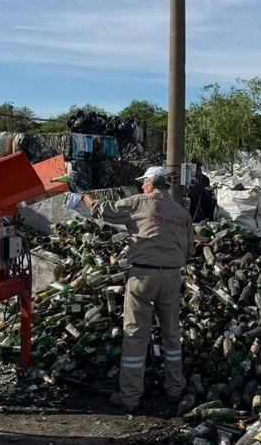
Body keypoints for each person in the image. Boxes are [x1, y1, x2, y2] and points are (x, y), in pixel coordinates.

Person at [65, 166, 193, 414]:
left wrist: (83, 194)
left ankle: (130, 397)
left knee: (135, 336)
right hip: (171, 278)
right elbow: (189, 252)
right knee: (172, 335)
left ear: (150, 183)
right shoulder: (182, 213)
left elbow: (100, 210)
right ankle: (175, 389)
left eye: (143, 182)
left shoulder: (138, 203)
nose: (142, 186)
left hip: (142, 276)